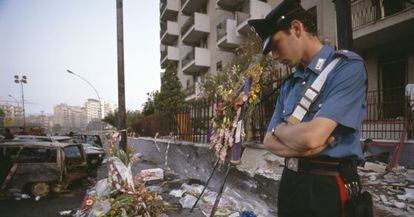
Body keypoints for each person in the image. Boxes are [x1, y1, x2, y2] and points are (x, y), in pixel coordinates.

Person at [248, 0, 370, 216]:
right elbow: (268, 141)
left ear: (296, 28)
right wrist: (282, 133)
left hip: (328, 185)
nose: (274, 56)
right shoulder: (290, 83)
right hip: (290, 183)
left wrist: (282, 132)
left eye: (276, 45)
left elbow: (312, 137)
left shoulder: (346, 68)